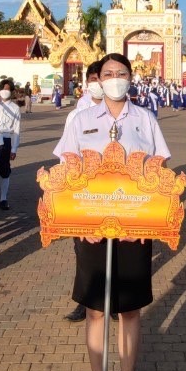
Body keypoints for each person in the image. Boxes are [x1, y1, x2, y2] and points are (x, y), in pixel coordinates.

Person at [54, 52, 169, 371]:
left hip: (135, 227)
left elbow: (159, 170)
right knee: (95, 310)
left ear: (131, 78)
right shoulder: (81, 119)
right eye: (108, 73)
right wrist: (77, 217)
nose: (115, 78)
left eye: (122, 73)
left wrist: (149, 218)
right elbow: (67, 170)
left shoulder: (145, 118)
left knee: (130, 310)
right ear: (97, 80)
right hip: (91, 225)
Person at [63, 62, 104, 324]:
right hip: (85, 191)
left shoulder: (132, 114)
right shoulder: (77, 116)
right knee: (84, 249)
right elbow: (66, 156)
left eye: (102, 78)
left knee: (115, 249)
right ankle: (85, 299)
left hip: (117, 195)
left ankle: (113, 300)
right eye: (93, 78)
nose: (97, 84)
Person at [0, 78, 23, 211]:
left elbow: (16, 129)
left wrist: (14, 148)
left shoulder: (15, 108)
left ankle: (3, 198)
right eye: (3, 89)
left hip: (6, 139)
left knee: (4, 171)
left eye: (8, 89)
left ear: (12, 92)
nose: (5, 92)